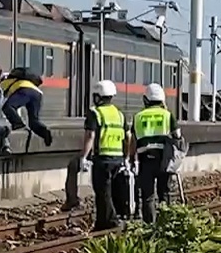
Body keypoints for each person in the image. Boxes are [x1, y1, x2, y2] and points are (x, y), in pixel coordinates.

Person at [75, 80, 128, 231]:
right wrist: (127, 157)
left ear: (98, 96)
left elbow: (90, 136)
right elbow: (127, 136)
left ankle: (108, 222)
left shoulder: (95, 113)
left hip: (102, 158)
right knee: (115, 191)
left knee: (102, 192)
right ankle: (107, 220)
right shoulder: (119, 114)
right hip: (118, 158)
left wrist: (84, 156)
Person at [128, 83, 181, 224]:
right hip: (164, 161)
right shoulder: (168, 115)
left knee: (147, 196)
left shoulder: (138, 117)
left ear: (146, 100)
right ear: (162, 100)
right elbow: (177, 136)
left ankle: (149, 225)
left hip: (145, 161)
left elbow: (132, 141)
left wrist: (131, 159)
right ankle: (165, 224)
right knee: (164, 193)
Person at [0, 69, 53, 147]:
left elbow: (0, 97)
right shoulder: (21, 80)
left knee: (8, 107)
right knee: (33, 121)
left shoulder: (4, 82)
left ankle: (18, 124)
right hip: (38, 93)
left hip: (24, 91)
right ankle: (44, 132)